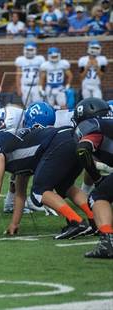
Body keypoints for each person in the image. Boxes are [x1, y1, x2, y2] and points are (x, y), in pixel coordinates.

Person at [0, 114, 93, 239]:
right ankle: (95, 220)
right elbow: (20, 192)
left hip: (58, 142)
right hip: (72, 137)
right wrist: (14, 224)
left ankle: (76, 222)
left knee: (39, 192)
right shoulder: (13, 143)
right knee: (64, 186)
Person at [72, 98, 113, 258]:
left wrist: (96, 178)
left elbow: (83, 150)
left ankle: (107, 243)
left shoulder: (91, 125)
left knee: (98, 197)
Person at [15, 41, 45, 107]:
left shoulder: (40, 59)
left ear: (35, 50)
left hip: (36, 86)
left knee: (38, 105)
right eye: (28, 50)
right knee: (27, 106)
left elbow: (42, 75)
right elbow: (18, 76)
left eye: (31, 50)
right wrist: (18, 88)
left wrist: (41, 87)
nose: (29, 52)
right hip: (25, 86)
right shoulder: (20, 60)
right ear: (24, 50)